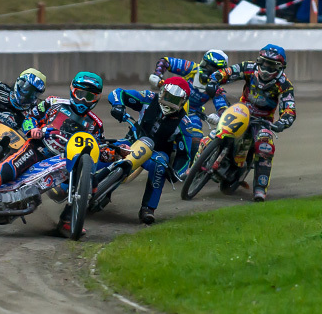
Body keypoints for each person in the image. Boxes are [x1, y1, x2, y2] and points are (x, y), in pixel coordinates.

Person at [0, 72, 107, 238]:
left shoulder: (96, 124)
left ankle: (67, 221)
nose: (83, 100)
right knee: (8, 171)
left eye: (89, 97)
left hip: (65, 161)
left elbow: (99, 148)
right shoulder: (53, 103)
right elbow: (30, 117)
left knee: (91, 181)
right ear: (72, 90)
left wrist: (110, 153)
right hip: (38, 149)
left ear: (97, 98)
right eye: (80, 94)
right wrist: (33, 129)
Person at [205, 45, 296, 202]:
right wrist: (214, 80)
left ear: (280, 67)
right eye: (264, 63)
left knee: (265, 144)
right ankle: (194, 167)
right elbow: (227, 72)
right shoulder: (248, 67)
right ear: (259, 61)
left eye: (272, 66)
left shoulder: (284, 84)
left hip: (263, 120)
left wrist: (283, 122)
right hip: (241, 110)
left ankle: (260, 188)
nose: (266, 69)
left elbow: (289, 107)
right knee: (215, 133)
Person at [108, 76, 191, 224]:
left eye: (175, 100)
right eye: (168, 97)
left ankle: (148, 208)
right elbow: (118, 92)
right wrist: (118, 105)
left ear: (183, 102)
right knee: (107, 150)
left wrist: (177, 173)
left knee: (161, 164)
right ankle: (88, 185)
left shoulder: (184, 123)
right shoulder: (148, 97)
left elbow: (185, 155)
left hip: (155, 153)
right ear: (161, 92)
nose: (169, 103)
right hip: (131, 141)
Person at [149, 50, 230, 177]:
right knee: (148, 115)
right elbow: (165, 61)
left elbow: (222, 106)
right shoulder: (192, 68)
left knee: (196, 143)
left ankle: (190, 167)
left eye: (214, 69)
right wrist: (157, 75)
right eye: (206, 65)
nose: (207, 70)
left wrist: (220, 116)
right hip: (170, 102)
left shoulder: (216, 87)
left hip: (192, 113)